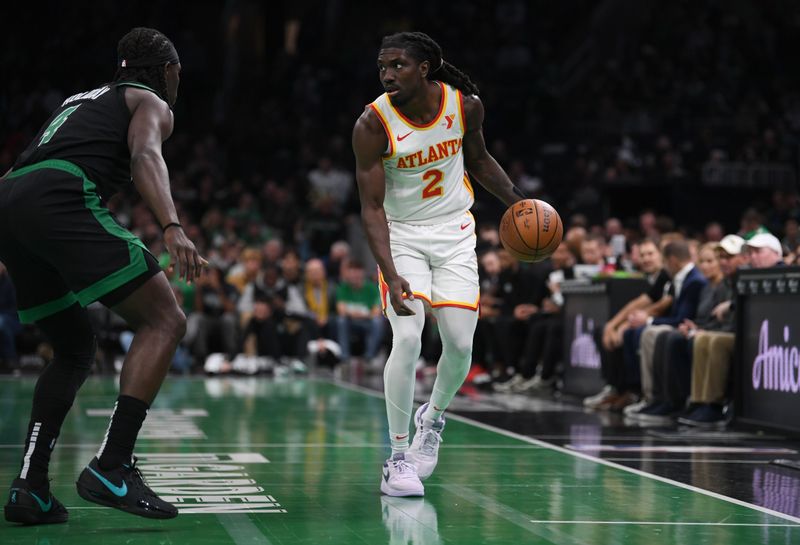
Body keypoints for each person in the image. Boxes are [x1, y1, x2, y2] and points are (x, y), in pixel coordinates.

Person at [2, 28, 204, 524]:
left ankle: (30, 487)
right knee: (165, 320)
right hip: (58, 195)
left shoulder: (82, 98)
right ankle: (112, 466)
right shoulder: (152, 101)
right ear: (169, 71)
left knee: (72, 348)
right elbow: (144, 156)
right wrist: (172, 227)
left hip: (9, 198)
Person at [352, 31, 525, 496]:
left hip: (454, 235)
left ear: (424, 67)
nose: (387, 74)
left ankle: (433, 417)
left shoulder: (465, 106)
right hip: (403, 237)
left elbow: (480, 160)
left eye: (398, 65)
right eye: (382, 66)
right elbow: (370, 207)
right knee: (408, 337)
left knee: (461, 346)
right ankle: (398, 457)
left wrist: (517, 204)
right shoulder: (372, 124)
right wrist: (389, 271)